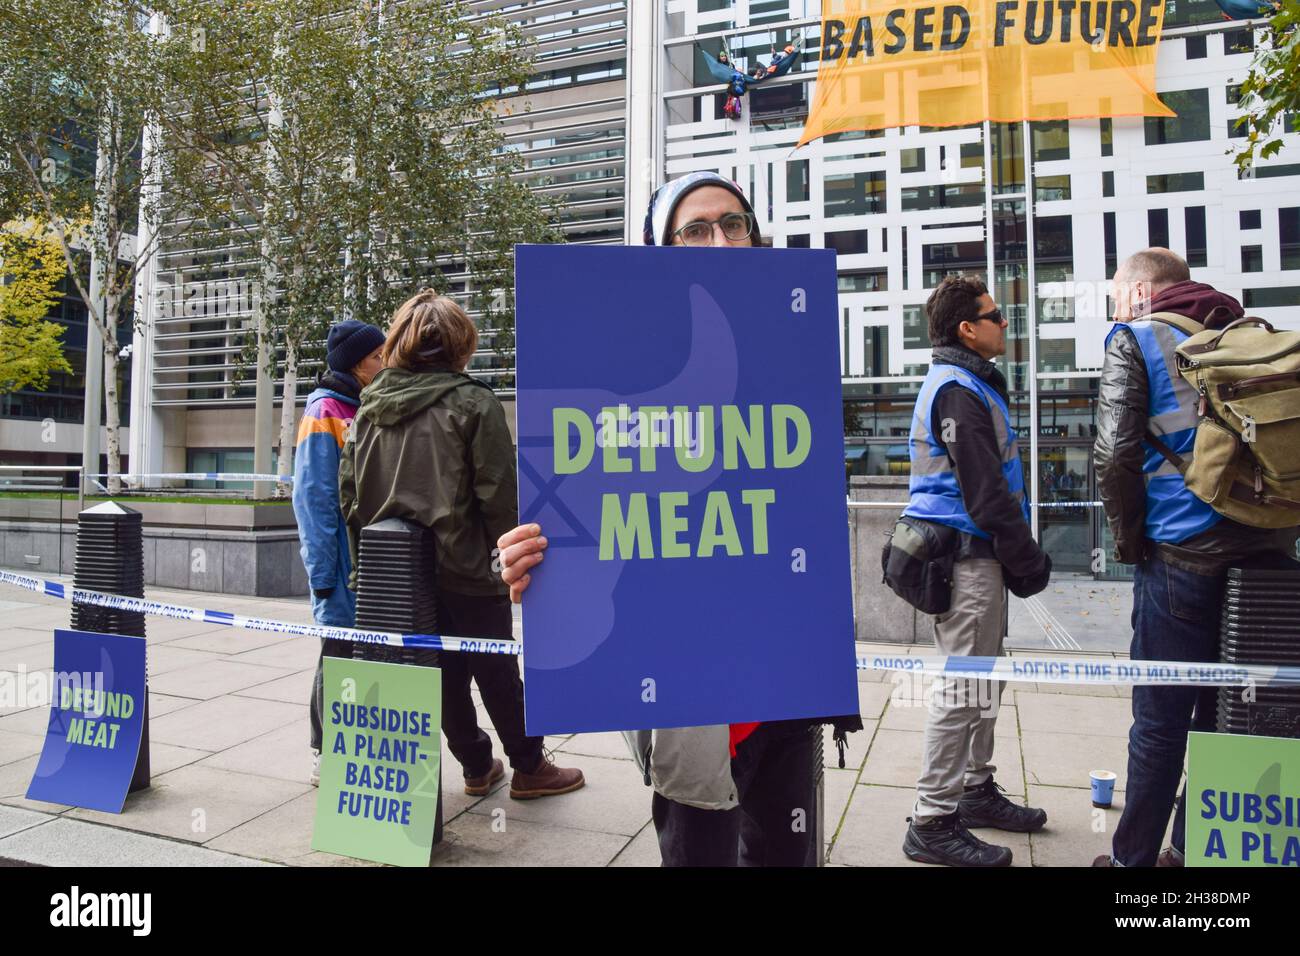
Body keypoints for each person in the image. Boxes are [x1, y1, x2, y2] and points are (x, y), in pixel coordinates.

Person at [497, 170, 862, 866]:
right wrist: (526, 564)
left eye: (734, 223)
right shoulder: (619, 373)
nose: (720, 241)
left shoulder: (794, 358)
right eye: (695, 229)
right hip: (682, 690)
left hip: (781, 675)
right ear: (657, 251)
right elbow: (572, 513)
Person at [1092, 248, 1300, 867]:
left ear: (1137, 292)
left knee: (1159, 719)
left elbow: (1113, 454)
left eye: (1114, 292)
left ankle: (1134, 865)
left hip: (1181, 557)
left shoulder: (1135, 337)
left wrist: (1132, 543)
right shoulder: (1252, 335)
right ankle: (1195, 849)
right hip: (1268, 553)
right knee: (1230, 711)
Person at [339, 291, 584, 800]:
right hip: (470, 566)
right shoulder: (474, 403)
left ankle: (475, 764)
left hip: (396, 575)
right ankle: (529, 767)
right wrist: (508, 566)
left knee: (439, 672)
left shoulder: (367, 408)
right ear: (460, 344)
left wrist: (366, 568)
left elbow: (349, 497)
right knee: (494, 666)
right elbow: (498, 498)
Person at [900, 275, 1052, 867]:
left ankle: (975, 789)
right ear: (968, 329)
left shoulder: (967, 383)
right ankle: (932, 819)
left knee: (983, 682)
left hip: (973, 557)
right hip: (967, 558)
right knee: (963, 688)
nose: (1004, 323)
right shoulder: (959, 388)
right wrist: (1030, 563)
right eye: (995, 315)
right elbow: (987, 495)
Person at [293, 319, 385, 786]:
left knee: (362, 654)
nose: (383, 362)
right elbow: (313, 498)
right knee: (338, 653)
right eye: (376, 357)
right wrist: (324, 574)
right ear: (355, 363)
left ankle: (356, 742)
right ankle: (323, 749)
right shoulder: (324, 411)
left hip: (370, 559)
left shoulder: (366, 404)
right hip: (342, 565)